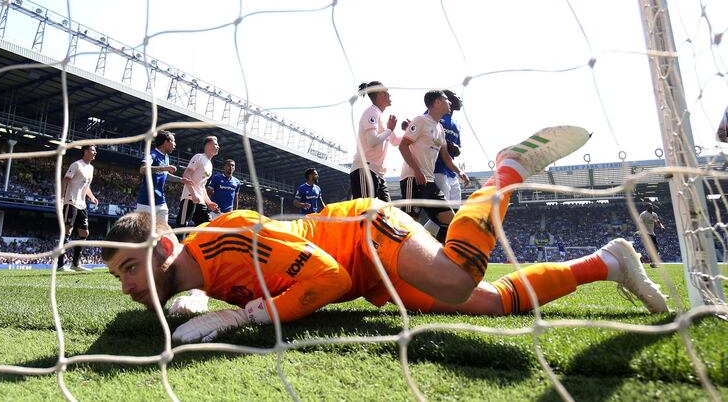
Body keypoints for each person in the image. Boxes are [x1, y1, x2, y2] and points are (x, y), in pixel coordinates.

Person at [102, 125, 668, 343]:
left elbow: (325, 275)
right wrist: (196, 300)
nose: (127, 287)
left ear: (167, 247)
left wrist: (239, 316)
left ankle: (504, 174)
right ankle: (610, 262)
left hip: (364, 233)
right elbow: (201, 288)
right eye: (118, 275)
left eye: (130, 268)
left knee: (452, 281)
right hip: (364, 279)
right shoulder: (187, 274)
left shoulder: (229, 235)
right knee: (493, 303)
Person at [399, 90, 468, 243]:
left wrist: (460, 172)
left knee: (451, 221)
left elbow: (446, 158)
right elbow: (403, 146)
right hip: (413, 179)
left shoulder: (440, 129)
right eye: (445, 99)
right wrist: (417, 171)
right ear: (437, 102)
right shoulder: (421, 120)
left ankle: (434, 253)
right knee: (409, 225)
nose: (449, 102)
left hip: (430, 182)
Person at [350, 81, 401, 202]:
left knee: (386, 213)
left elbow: (394, 141)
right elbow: (372, 141)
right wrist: (389, 129)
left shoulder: (381, 116)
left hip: (378, 173)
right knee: (366, 214)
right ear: (380, 94)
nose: (389, 95)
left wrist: (411, 132)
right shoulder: (371, 112)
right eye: (386, 92)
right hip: (365, 169)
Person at [136, 130, 192, 224]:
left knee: (162, 232)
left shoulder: (166, 157)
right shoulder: (152, 155)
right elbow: (143, 169)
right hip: (146, 202)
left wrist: (180, 180)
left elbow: (165, 175)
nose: (175, 144)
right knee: (143, 234)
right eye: (173, 141)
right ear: (166, 142)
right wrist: (164, 168)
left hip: (161, 202)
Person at [58, 145, 99, 272]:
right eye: (93, 150)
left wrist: (92, 197)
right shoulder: (76, 165)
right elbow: (65, 180)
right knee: (67, 231)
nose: (95, 152)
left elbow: (86, 185)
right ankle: (60, 265)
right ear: (85, 151)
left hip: (82, 204)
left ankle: (75, 264)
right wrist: (61, 197)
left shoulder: (91, 168)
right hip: (71, 201)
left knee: (84, 233)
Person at [433, 89, 466, 206]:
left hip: (451, 172)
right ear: (448, 99)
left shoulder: (456, 124)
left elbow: (458, 150)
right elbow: (426, 132)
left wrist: (456, 148)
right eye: (455, 95)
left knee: (455, 212)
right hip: (438, 170)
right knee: (444, 213)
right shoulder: (435, 115)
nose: (459, 99)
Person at [178, 136, 219, 227]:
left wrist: (209, 202)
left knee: (207, 226)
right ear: (208, 145)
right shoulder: (198, 157)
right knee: (181, 226)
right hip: (189, 198)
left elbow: (202, 185)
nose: (218, 147)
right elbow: (186, 175)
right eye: (216, 144)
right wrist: (193, 194)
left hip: (200, 201)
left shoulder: (210, 165)